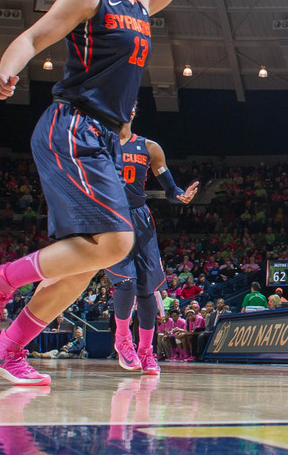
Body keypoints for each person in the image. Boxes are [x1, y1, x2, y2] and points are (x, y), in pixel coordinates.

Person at [0, 0, 229, 386]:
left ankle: (6, 351)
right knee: (116, 242)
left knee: (86, 262)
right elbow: (33, 38)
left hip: (104, 139)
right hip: (74, 126)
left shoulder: (144, 4)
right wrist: (7, 73)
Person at [109, 106, 198, 377]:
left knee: (147, 291)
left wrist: (180, 195)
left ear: (133, 110)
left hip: (141, 220)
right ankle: (123, 339)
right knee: (126, 283)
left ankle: (146, 352)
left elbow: (170, 189)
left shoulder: (149, 147)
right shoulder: (100, 143)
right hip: (111, 219)